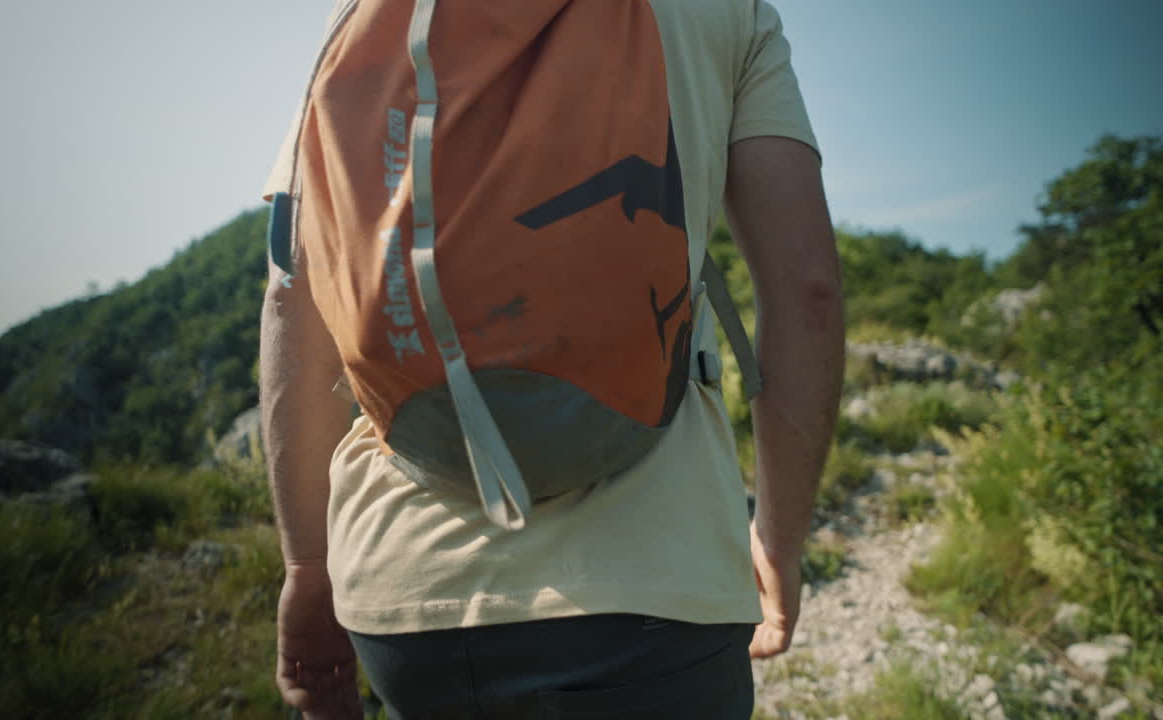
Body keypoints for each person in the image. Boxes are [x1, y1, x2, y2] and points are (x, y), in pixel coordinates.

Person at [259, 0, 844, 717]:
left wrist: (308, 572)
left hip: (408, 590)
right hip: (659, 588)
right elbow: (806, 289)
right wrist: (779, 540)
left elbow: (295, 290)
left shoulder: (371, 7)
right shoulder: (728, 9)